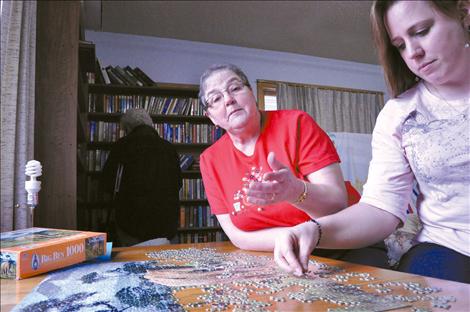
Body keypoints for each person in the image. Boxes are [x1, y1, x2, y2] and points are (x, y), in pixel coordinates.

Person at [274, 0, 470, 283]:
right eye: (400, 45)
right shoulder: (399, 114)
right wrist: (313, 230)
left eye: (422, 31)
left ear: (463, 13)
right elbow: (381, 209)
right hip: (448, 248)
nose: (413, 53)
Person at [199, 63, 389, 268]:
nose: (228, 100)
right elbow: (238, 236)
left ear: (251, 93)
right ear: (211, 117)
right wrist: (288, 238)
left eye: (235, 88)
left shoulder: (297, 123)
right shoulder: (210, 160)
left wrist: (294, 191)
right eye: (216, 98)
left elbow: (337, 204)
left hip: (344, 245)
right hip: (279, 255)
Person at [102, 108, 182, 247]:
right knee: (165, 266)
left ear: (127, 128)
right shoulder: (169, 148)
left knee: (131, 265)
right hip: (166, 224)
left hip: (132, 223)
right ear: (150, 124)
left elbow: (108, 184)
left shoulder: (122, 146)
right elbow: (178, 184)